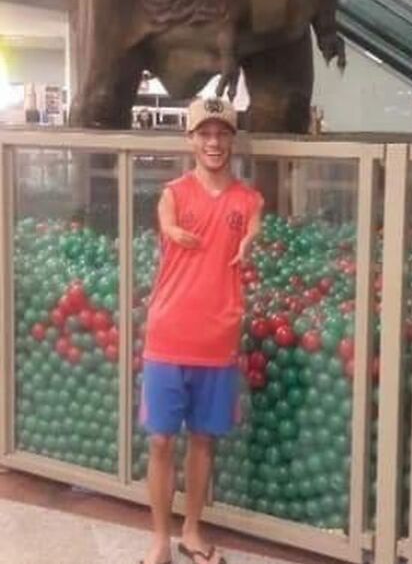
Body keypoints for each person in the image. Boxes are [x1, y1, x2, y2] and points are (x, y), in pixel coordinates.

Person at [139, 97, 263, 564]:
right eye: (204, 133)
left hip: (218, 338)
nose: (214, 142)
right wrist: (172, 232)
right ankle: (158, 541)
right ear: (190, 139)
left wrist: (251, 239)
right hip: (168, 336)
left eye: (222, 133)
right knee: (160, 440)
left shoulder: (248, 199)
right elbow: (166, 223)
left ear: (232, 139)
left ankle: (191, 530)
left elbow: (253, 226)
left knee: (204, 440)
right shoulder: (173, 192)